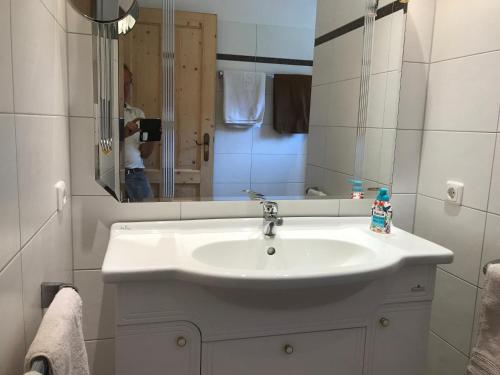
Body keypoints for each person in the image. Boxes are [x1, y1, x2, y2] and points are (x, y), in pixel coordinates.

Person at [123, 65, 155, 202]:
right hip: (112, 177)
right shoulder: (103, 114)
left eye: (128, 84)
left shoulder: (137, 114)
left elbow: (145, 154)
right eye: (122, 84)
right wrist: (124, 132)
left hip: (136, 175)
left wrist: (153, 135)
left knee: (149, 218)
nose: (125, 89)